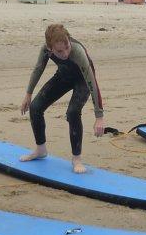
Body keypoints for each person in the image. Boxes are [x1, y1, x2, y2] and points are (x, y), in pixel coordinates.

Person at [20, 24, 106, 174]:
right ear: (50, 48)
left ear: (68, 40)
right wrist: (28, 94)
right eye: (59, 51)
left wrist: (99, 116)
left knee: (72, 112)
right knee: (35, 107)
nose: (65, 53)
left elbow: (92, 82)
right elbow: (38, 69)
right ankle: (41, 150)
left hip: (83, 81)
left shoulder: (77, 51)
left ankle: (76, 159)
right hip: (64, 76)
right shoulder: (45, 50)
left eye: (67, 47)